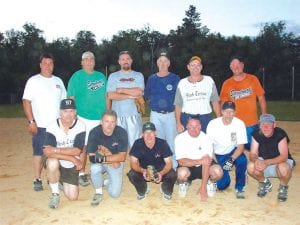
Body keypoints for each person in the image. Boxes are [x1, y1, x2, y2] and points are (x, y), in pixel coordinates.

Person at [23, 53, 66, 192]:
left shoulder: (58, 81)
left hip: (56, 126)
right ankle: (37, 178)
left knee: (55, 152)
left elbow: (64, 103)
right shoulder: (33, 81)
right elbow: (26, 101)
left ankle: (53, 178)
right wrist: (31, 121)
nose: (48, 66)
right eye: (45, 63)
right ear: (40, 64)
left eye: (50, 63)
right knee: (38, 153)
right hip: (40, 125)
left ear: (53, 65)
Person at [67, 51, 107, 187]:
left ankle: (97, 170)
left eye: (92, 59)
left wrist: (106, 114)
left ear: (94, 61)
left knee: (99, 146)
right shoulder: (76, 77)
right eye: (86, 59)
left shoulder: (101, 77)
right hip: (82, 118)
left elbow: (107, 97)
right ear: (82, 62)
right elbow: (71, 97)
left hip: (99, 118)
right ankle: (81, 173)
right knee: (83, 147)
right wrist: (72, 115)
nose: (89, 61)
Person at [43, 99, 86, 209]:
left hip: (68, 161)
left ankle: (59, 179)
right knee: (52, 162)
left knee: (73, 197)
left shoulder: (80, 125)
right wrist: (72, 159)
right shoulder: (52, 126)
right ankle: (55, 194)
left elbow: (77, 151)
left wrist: (56, 150)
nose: (68, 114)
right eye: (65, 111)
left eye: (71, 111)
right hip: (57, 159)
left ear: (75, 112)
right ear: (60, 113)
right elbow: (47, 152)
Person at [220, 56, 267, 149]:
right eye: (233, 65)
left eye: (238, 65)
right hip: (234, 124)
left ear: (242, 65)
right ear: (230, 67)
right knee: (233, 146)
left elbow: (261, 99)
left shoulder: (252, 79)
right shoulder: (227, 83)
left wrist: (264, 117)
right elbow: (223, 104)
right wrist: (224, 120)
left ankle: (262, 160)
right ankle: (234, 161)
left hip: (251, 124)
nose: (236, 67)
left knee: (254, 147)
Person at [247, 114, 295, 202]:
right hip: (265, 161)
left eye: (269, 124)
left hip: (280, 162)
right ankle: (264, 183)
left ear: (274, 125)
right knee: (250, 166)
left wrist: (266, 162)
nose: (265, 127)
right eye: (263, 124)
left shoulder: (280, 134)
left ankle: (283, 187)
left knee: (283, 168)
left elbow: (284, 156)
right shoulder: (256, 134)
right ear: (259, 125)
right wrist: (256, 160)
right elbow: (252, 154)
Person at [144, 52, 180, 169]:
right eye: (160, 61)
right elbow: (147, 96)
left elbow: (179, 99)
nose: (163, 63)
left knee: (171, 141)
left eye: (165, 61)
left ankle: (173, 166)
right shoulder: (152, 78)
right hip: (155, 115)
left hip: (170, 114)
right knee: (157, 140)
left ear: (169, 63)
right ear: (157, 63)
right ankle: (159, 165)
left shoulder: (175, 78)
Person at [175, 116, 223, 201]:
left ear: (200, 127)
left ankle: (210, 182)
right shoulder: (179, 138)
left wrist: (203, 187)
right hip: (188, 166)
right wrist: (200, 161)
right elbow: (181, 161)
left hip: (204, 166)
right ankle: (184, 183)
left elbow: (207, 162)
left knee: (218, 172)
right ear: (187, 126)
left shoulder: (206, 138)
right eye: (191, 126)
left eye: (197, 126)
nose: (194, 129)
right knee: (181, 174)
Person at [206, 101, 248, 199]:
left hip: (232, 152)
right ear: (221, 112)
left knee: (242, 160)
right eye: (226, 111)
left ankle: (240, 187)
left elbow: (241, 147)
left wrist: (231, 159)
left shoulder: (239, 124)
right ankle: (213, 179)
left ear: (235, 112)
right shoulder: (213, 124)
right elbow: (209, 146)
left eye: (231, 111)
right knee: (222, 185)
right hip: (217, 154)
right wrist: (216, 163)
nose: (229, 114)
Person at [87, 110, 128, 206]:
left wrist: (106, 155)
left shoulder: (121, 132)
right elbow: (92, 158)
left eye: (112, 122)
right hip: (109, 160)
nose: (109, 125)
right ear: (101, 122)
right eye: (106, 121)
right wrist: (110, 158)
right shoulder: (94, 132)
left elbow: (122, 157)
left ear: (116, 123)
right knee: (94, 168)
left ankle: (106, 180)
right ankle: (98, 192)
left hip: (111, 160)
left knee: (115, 194)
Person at [127, 122, 177, 200]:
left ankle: (165, 189)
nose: (149, 135)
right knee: (131, 174)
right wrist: (142, 171)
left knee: (173, 174)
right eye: (146, 133)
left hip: (160, 170)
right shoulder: (137, 143)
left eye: (151, 132)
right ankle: (143, 189)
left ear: (155, 133)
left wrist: (161, 173)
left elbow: (169, 163)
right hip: (144, 170)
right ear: (142, 134)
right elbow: (133, 163)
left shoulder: (162, 143)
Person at [107, 51, 144, 148]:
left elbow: (139, 92)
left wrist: (121, 90)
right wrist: (129, 96)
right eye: (123, 59)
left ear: (131, 61)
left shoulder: (138, 75)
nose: (125, 61)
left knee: (135, 148)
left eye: (127, 59)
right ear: (119, 62)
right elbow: (111, 95)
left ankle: (135, 163)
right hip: (117, 117)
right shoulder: (113, 76)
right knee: (118, 148)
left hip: (134, 116)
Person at [174, 55, 220, 134]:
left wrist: (219, 118)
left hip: (205, 117)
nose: (195, 67)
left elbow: (215, 101)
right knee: (189, 143)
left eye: (198, 65)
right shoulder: (182, 83)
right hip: (187, 117)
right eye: (192, 65)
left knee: (206, 141)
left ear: (201, 67)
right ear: (188, 67)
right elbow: (178, 105)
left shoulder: (209, 80)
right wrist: (178, 123)